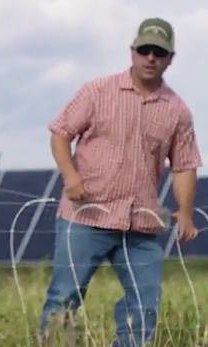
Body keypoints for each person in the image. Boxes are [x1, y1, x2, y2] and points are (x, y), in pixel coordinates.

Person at [39, 17, 202, 346]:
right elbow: (60, 133)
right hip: (85, 217)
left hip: (141, 224)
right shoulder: (97, 91)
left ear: (171, 58)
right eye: (145, 50)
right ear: (132, 52)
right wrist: (70, 177)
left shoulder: (178, 111)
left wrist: (184, 212)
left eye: (159, 51)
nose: (151, 58)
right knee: (64, 298)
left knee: (146, 303)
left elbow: (184, 165)